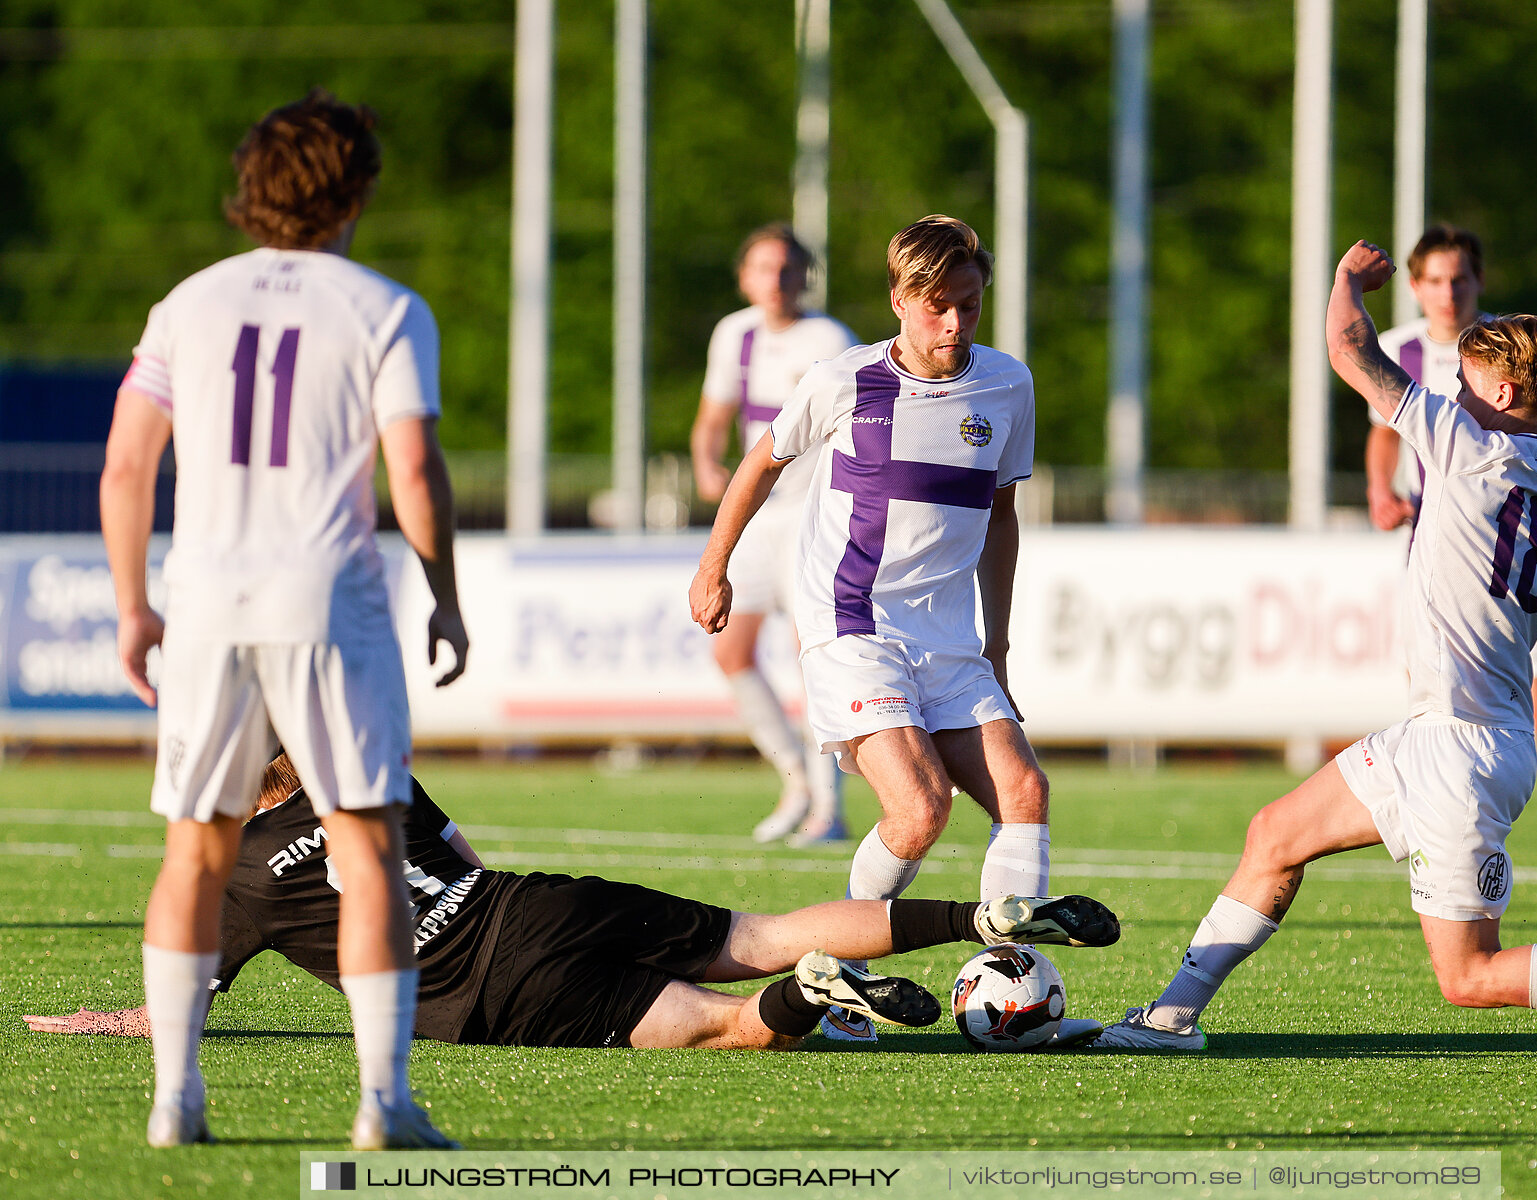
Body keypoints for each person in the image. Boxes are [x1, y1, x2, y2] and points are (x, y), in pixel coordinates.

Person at [1095, 240, 1537, 1074]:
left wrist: (1342, 281)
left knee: (1468, 977)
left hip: (1460, 753)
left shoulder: (1459, 444)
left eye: (1466, 379)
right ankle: (1173, 1015)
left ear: (1503, 392)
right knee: (1273, 836)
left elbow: (1346, 348)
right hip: (1456, 736)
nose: (1449, 389)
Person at [99, 91, 468, 1149]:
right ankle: (382, 1103)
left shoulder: (187, 304)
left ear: (249, 186)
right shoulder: (386, 307)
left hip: (209, 601)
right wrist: (444, 593)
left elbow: (128, 463)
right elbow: (413, 470)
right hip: (328, 600)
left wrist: (134, 606)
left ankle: (176, 1099)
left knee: (194, 852)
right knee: (362, 850)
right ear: (355, 189)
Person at [23, 756, 1120, 1051]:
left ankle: (801, 1004)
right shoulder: (363, 780)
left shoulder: (244, 882)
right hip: (530, 905)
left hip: (498, 992)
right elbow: (459, 848)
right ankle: (978, 921)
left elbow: (181, 1008)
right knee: (759, 933)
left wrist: (106, 1021)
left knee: (717, 1026)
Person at [689, 215, 1063, 1046]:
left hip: (949, 641)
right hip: (850, 625)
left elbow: (1002, 513)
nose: (955, 325)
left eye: (968, 305)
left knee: (1026, 793)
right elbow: (758, 463)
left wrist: (995, 641)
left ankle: (1009, 984)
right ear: (899, 301)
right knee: (920, 809)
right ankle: (838, 982)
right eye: (937, 308)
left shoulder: (1006, 385)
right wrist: (714, 566)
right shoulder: (842, 379)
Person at [1365, 223, 1537, 910]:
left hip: (1513, 551)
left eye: (1460, 279)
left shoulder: (1507, 351)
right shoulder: (1405, 351)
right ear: (1417, 287)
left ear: (1477, 283)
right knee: (1436, 702)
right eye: (1434, 280)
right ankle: (1450, 844)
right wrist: (1380, 490)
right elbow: (1381, 432)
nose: (1448, 292)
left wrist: (1530, 474)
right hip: (1439, 551)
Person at [690, 225, 856, 846]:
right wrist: (708, 464)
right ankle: (796, 782)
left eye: (787, 269)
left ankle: (828, 807)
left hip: (812, 512)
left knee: (809, 655)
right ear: (744, 277)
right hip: (756, 512)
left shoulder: (828, 339)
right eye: (763, 268)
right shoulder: (733, 333)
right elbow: (713, 418)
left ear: (804, 276)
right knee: (729, 651)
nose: (776, 280)